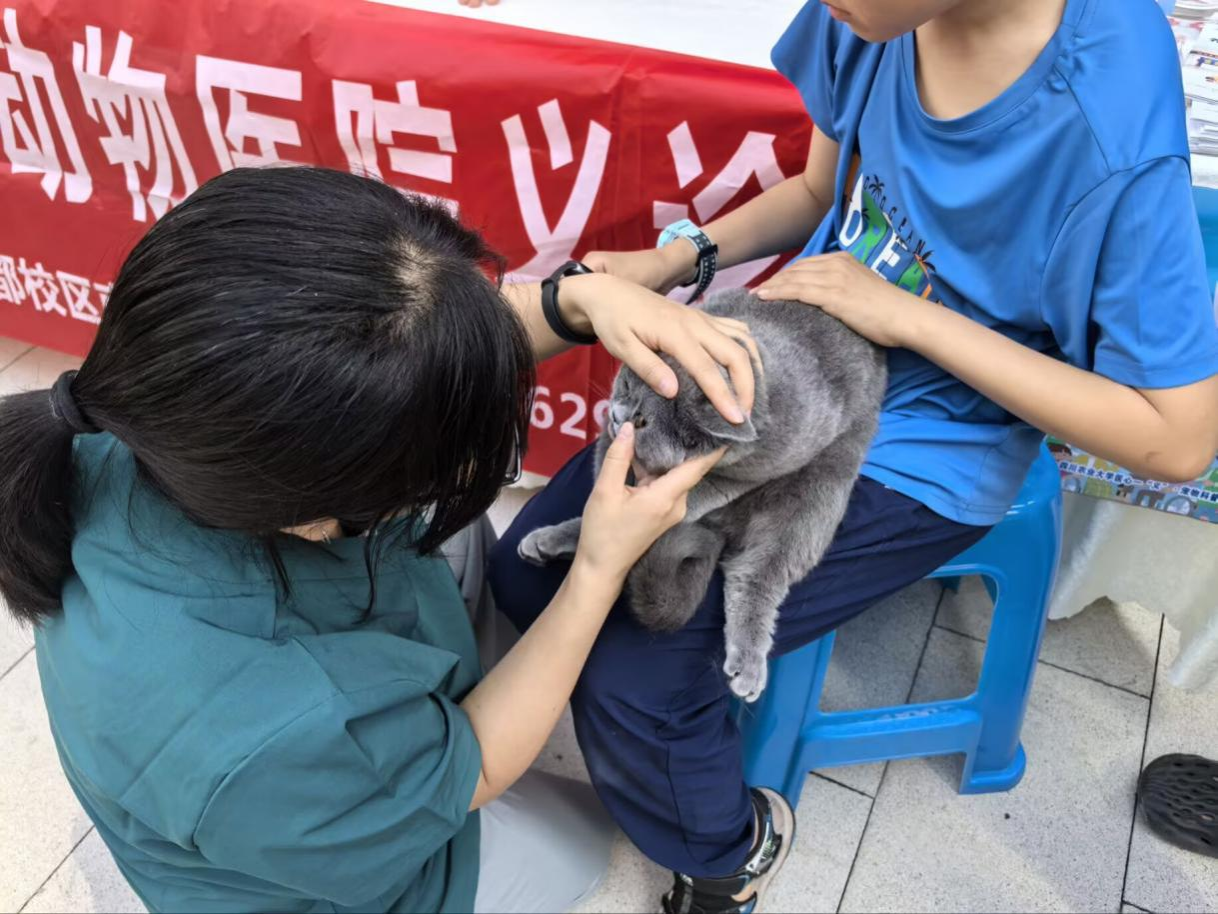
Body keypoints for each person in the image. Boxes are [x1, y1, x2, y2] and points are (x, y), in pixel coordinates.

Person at [487, 1, 1218, 911]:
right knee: (527, 574)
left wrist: (909, 317)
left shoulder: (1108, 126)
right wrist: (675, 258)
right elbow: (816, 191)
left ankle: (728, 856)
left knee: (639, 676)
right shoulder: (870, 17)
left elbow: (1177, 437)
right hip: (795, 361)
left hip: (933, 440)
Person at [0, 165, 761, 913]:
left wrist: (574, 300)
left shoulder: (175, 408)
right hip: (329, 859)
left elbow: (393, 350)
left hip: (318, 713)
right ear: (314, 514)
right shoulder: (267, 729)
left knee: (466, 561)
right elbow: (479, 769)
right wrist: (596, 568)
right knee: (581, 847)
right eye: (443, 456)